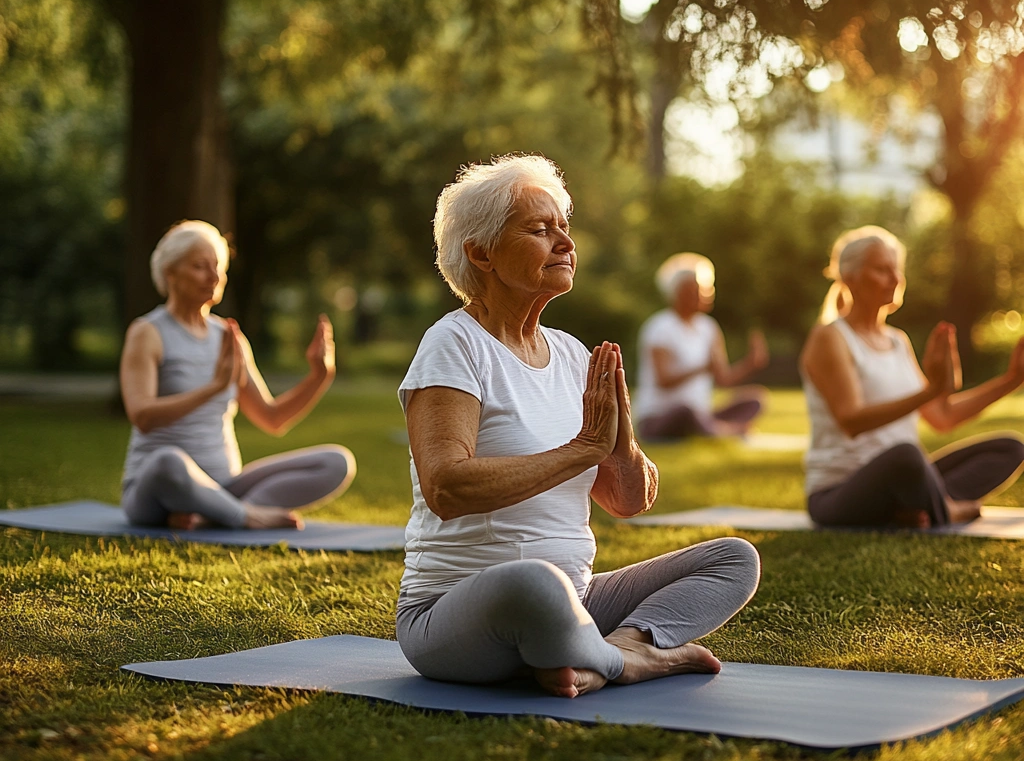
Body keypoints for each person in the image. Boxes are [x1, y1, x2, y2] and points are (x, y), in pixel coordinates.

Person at [396, 155, 761, 699]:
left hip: (578, 598)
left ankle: (621, 645)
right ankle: (631, 661)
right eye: (540, 230)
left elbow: (627, 502)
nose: (564, 242)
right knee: (536, 582)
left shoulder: (571, 354)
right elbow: (447, 488)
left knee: (734, 559)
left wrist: (622, 439)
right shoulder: (455, 344)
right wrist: (583, 448)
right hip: (456, 609)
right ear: (481, 252)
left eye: (564, 228)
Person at [119, 220, 355, 530]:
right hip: (157, 489)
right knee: (168, 460)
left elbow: (272, 419)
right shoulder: (147, 332)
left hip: (224, 485)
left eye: (218, 267)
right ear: (170, 272)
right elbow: (142, 416)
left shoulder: (229, 337)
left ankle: (208, 515)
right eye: (200, 267)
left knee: (336, 462)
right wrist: (214, 387)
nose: (214, 277)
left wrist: (319, 376)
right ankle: (243, 516)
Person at [800, 225, 1024, 529]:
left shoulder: (898, 341)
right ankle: (946, 510)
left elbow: (942, 416)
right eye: (882, 269)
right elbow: (851, 420)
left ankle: (918, 509)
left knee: (1010, 448)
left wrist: (1012, 379)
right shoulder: (830, 337)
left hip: (907, 478)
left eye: (897, 269)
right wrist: (932, 390)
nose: (895, 279)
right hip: (839, 493)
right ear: (850, 278)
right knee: (906, 455)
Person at [634, 253, 770, 441]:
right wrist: (702, 368)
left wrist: (751, 363)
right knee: (686, 412)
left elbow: (723, 379)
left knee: (755, 399)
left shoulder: (709, 328)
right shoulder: (660, 328)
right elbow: (663, 381)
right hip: (660, 418)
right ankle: (726, 431)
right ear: (678, 294)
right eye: (698, 290)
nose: (706, 294)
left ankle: (714, 428)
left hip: (700, 414)